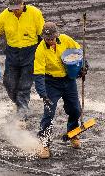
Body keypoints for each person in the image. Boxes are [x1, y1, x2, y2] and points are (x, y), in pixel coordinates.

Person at [0, 0, 45, 124]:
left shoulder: (35, 13)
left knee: (24, 85)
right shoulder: (5, 15)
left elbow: (42, 36)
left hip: (30, 52)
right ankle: (19, 104)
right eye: (12, 9)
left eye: (17, 8)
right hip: (12, 53)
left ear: (23, 4)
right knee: (9, 83)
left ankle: (22, 114)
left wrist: (43, 55)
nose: (15, 11)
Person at [33, 22, 88, 159]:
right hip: (51, 83)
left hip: (68, 81)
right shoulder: (40, 50)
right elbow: (38, 74)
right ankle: (44, 144)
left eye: (52, 38)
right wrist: (42, 93)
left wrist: (84, 67)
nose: (50, 41)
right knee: (49, 113)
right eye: (48, 39)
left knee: (75, 109)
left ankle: (73, 133)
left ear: (56, 35)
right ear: (44, 37)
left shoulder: (65, 39)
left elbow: (79, 53)